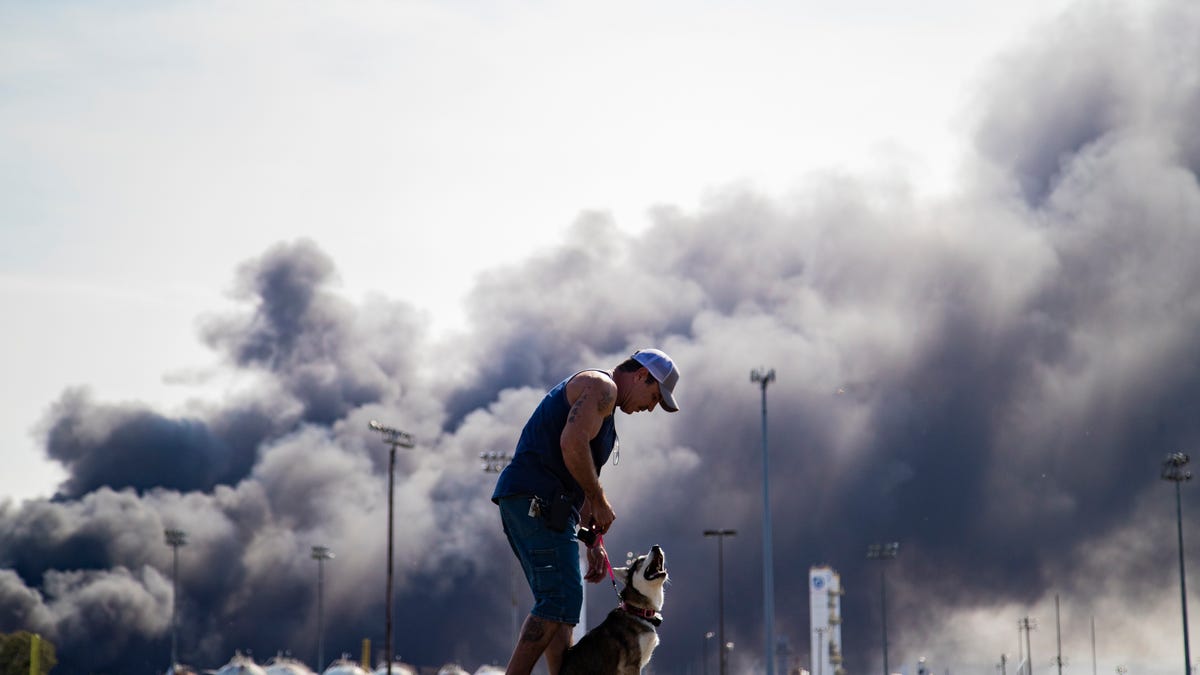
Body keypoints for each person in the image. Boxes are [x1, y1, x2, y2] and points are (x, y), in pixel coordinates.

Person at [491, 348, 681, 675]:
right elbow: (571, 444)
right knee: (559, 600)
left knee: (560, 605)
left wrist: (593, 541)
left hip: (542, 506)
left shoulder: (606, 415)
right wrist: (601, 499)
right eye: (654, 396)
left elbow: (580, 480)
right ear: (641, 375)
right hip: (535, 500)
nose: (651, 407)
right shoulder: (601, 388)